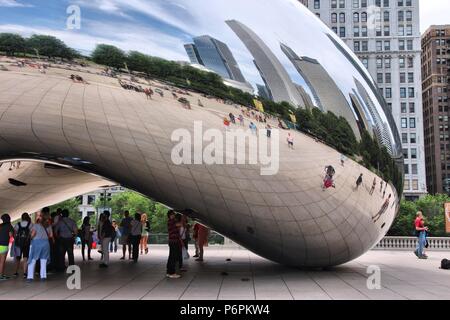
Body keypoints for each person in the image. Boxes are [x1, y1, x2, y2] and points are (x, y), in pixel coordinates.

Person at [27, 211, 53, 282]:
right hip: (46, 244)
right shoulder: (49, 226)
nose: (38, 217)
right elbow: (51, 235)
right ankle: (43, 277)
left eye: (40, 216)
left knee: (32, 260)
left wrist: (30, 237)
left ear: (41, 218)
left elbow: (32, 234)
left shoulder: (36, 225)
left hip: (36, 243)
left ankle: (30, 277)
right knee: (43, 261)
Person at [13, 212, 33, 279]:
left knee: (18, 258)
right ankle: (24, 273)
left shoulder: (18, 224)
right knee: (25, 258)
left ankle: (15, 272)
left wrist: (16, 240)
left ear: (21, 218)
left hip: (18, 244)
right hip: (26, 243)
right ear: (27, 217)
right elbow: (32, 233)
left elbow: (14, 233)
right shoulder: (30, 224)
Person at [166, 210, 181, 278]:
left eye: (174, 214)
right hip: (173, 241)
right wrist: (183, 217)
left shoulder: (171, 221)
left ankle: (169, 272)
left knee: (171, 256)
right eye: (172, 214)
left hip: (172, 241)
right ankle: (172, 273)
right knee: (173, 257)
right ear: (170, 215)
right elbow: (180, 224)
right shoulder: (171, 221)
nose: (173, 215)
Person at [0, 214, 14, 281]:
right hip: (4, 245)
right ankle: (1, 276)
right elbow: (10, 235)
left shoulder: (0, 225)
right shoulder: (9, 226)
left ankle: (1, 274)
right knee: (2, 262)